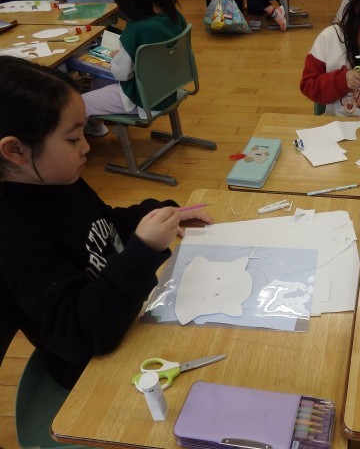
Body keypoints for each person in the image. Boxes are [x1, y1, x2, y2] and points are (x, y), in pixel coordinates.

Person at [0, 55, 213, 389]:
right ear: (15, 151)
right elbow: (83, 334)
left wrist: (153, 213)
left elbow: (104, 226)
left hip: (126, 315)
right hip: (95, 371)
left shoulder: (53, 179)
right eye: (72, 139)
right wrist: (142, 252)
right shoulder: (14, 237)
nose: (87, 146)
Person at [80, 0, 186, 137]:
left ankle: (81, 138)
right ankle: (96, 125)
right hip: (168, 89)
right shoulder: (175, 16)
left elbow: (121, 73)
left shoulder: (136, 29)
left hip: (143, 98)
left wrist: (116, 58)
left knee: (80, 103)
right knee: (98, 80)